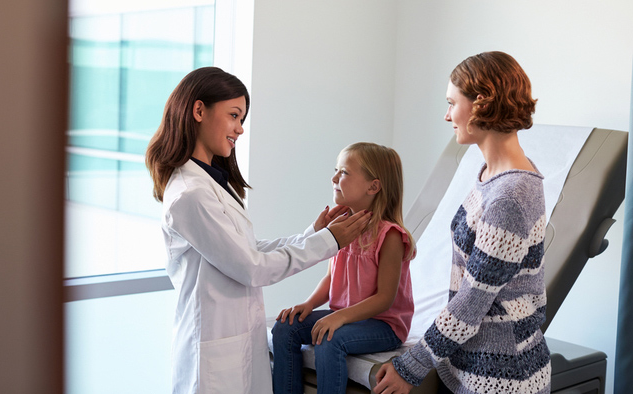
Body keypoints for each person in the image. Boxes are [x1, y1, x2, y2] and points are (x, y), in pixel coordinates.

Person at [144, 66, 372, 394]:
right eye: (234, 116)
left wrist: (314, 232)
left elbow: (249, 249)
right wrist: (330, 241)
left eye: (242, 120)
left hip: (236, 343)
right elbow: (251, 268)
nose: (239, 129)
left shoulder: (210, 182)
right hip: (212, 352)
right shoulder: (190, 194)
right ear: (198, 110)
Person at [373, 51, 550, 394]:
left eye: (452, 103)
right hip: (473, 366)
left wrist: (409, 367)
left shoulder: (509, 197)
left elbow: (472, 301)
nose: (446, 115)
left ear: (481, 104)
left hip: (502, 378)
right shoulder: (490, 175)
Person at [272, 142, 417, 394]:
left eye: (344, 172)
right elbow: (331, 277)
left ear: (373, 186)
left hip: (384, 325)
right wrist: (308, 305)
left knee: (330, 339)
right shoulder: (343, 227)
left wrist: (337, 317)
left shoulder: (390, 235)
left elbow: (385, 299)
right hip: (348, 317)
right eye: (336, 170)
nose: (334, 177)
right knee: (286, 328)